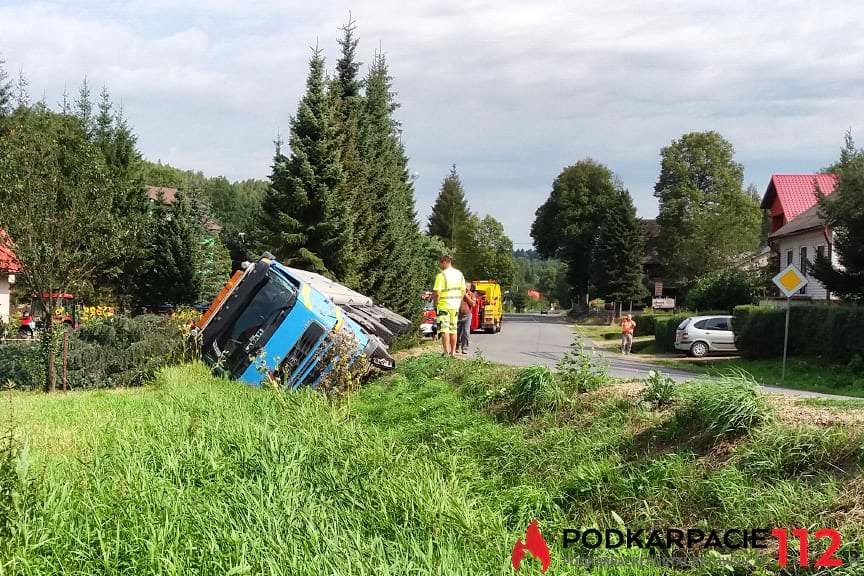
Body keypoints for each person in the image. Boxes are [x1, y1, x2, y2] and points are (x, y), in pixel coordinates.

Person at [432, 255, 466, 357]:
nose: (440, 265)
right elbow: (463, 290)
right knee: (453, 329)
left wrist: (436, 304)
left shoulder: (441, 275)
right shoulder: (459, 274)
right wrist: (458, 300)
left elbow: (437, 293)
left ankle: (446, 352)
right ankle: (453, 352)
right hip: (455, 306)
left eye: (440, 263)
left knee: (444, 329)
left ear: (444, 262)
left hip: (444, 306)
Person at [457, 282, 477, 355]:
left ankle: (464, 348)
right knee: (457, 332)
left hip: (467, 315)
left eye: (467, 287)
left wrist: (467, 296)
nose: (465, 289)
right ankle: (456, 347)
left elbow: (473, 304)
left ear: (469, 288)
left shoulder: (472, 295)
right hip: (458, 315)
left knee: (466, 333)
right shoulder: (459, 294)